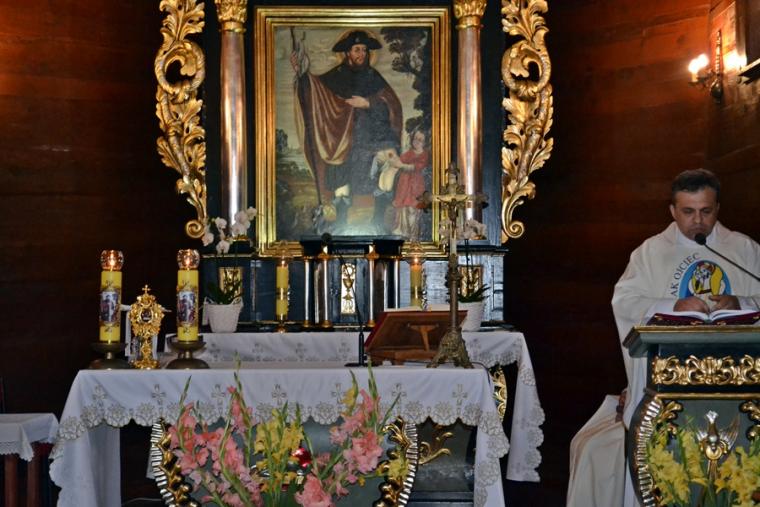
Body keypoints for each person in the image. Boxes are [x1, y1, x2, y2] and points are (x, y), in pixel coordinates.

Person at [610, 168, 760, 506]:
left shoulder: (744, 250)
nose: (698, 221)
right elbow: (624, 302)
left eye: (706, 211)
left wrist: (742, 302)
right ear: (672, 210)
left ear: (718, 208)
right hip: (667, 382)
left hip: (738, 382)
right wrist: (673, 305)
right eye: (688, 212)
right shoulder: (650, 253)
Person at [291, 30, 404, 232]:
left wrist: (367, 103)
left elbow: (391, 105)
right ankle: (339, 225)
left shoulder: (373, 76)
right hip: (342, 139)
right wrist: (301, 74)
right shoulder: (336, 76)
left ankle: (378, 223)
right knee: (340, 177)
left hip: (371, 139)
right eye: (357, 49)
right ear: (347, 53)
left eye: (364, 50)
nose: (362, 54)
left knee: (383, 173)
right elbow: (315, 90)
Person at [391, 128, 430, 239]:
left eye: (420, 140)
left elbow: (416, 167)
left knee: (413, 209)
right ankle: (402, 232)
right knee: (403, 208)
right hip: (404, 184)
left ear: (425, 142)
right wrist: (394, 159)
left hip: (416, 185)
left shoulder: (425, 154)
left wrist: (402, 165)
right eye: (415, 138)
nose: (417, 141)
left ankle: (413, 236)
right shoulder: (409, 153)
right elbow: (399, 161)